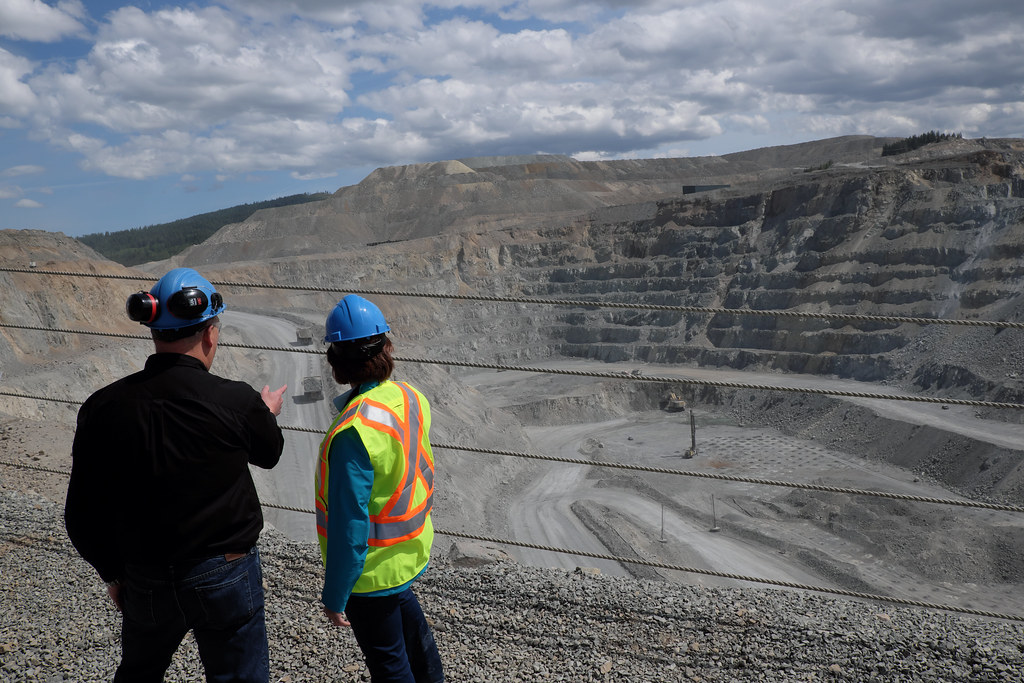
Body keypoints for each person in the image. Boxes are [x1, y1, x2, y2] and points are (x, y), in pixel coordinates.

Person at [64, 267, 287, 683]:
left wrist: (113, 573)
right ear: (210, 334)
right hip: (226, 573)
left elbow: (80, 514)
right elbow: (269, 453)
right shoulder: (236, 401)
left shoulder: (102, 408)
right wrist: (266, 413)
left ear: (154, 332)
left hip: (144, 576)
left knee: (140, 672)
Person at [315, 294, 443, 683]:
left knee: (390, 666)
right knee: (419, 649)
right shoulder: (410, 398)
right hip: (409, 554)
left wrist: (335, 594)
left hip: (371, 575)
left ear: (335, 362)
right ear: (387, 347)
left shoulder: (352, 432)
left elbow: (349, 526)